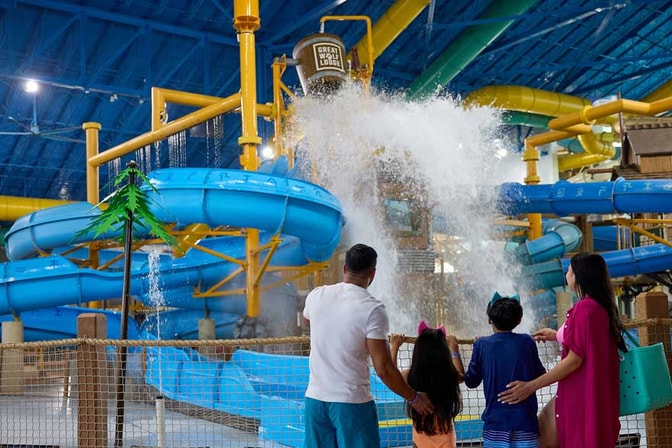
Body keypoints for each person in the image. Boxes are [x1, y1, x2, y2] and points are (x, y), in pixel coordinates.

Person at [302, 243, 433, 448]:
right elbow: (383, 368)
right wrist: (414, 398)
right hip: (351, 403)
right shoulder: (372, 309)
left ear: (345, 268)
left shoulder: (317, 295)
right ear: (372, 273)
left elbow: (307, 320)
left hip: (315, 400)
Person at [499, 252, 627, 447]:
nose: (566, 274)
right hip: (594, 396)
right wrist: (557, 335)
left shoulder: (584, 309)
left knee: (546, 437)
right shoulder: (600, 307)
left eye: (569, 271)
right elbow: (588, 341)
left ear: (578, 277)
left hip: (579, 395)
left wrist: (531, 386)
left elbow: (575, 359)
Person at [463, 293, 546, 448]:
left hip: (496, 425)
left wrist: (464, 351)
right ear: (519, 320)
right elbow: (541, 375)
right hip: (525, 423)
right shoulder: (527, 341)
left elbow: (471, 381)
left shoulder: (482, 344)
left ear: (489, 319)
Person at [390, 322, 464, 448]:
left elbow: (392, 377)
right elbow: (462, 375)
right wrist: (454, 349)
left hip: (420, 437)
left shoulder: (411, 376)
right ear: (444, 352)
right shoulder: (448, 375)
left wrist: (394, 346)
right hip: (446, 437)